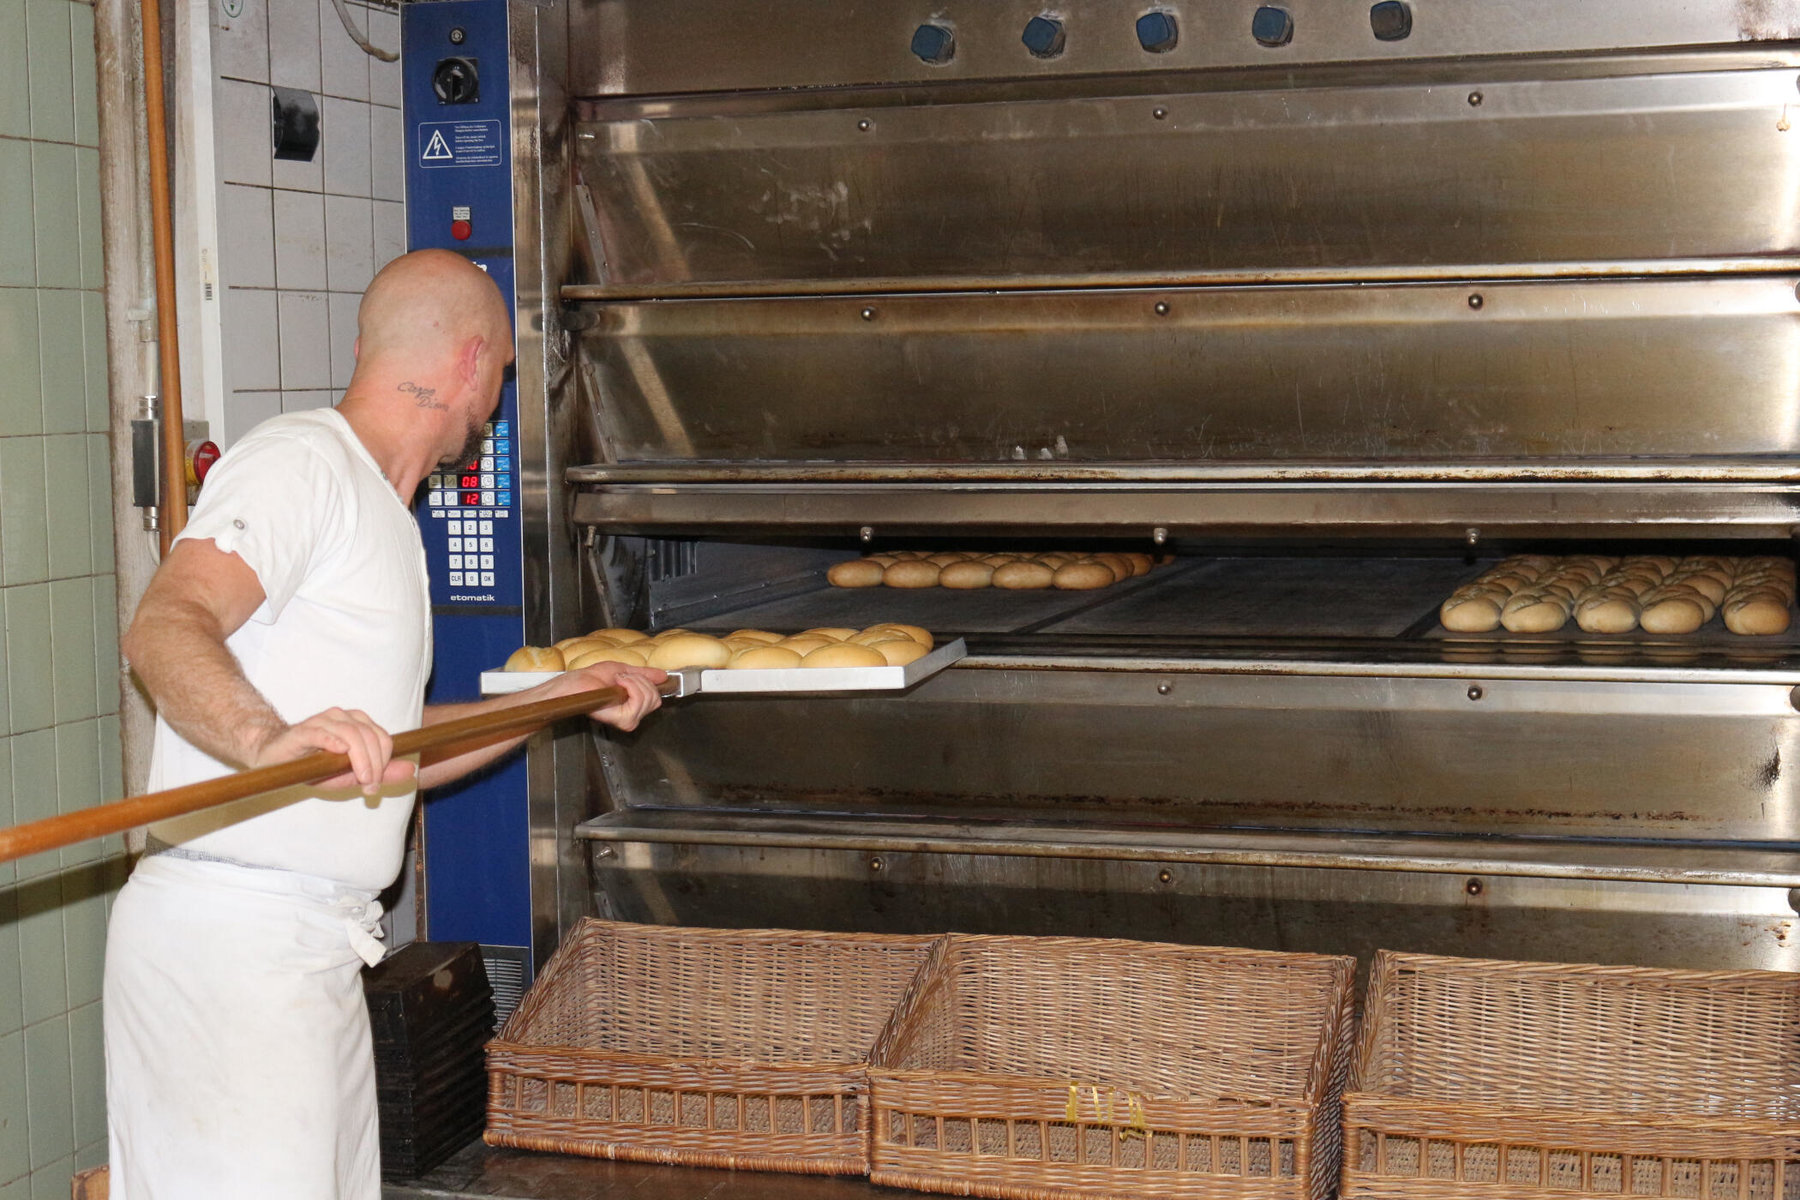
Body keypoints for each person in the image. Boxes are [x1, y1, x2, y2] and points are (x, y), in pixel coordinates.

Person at [103, 249, 666, 1199]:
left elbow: (392, 758)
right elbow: (165, 622)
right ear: (471, 362)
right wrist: (265, 741)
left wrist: (557, 701)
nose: (493, 405)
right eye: (500, 380)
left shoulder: (383, 514)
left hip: (311, 950)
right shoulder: (300, 463)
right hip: (230, 948)